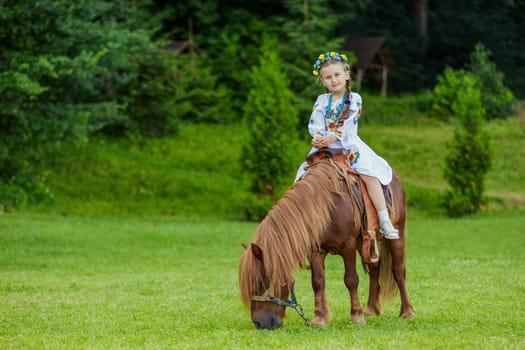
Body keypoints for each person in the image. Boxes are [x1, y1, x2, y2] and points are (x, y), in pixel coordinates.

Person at [295, 52, 399, 239]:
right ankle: (298, 220)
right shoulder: (321, 101)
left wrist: (334, 136)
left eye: (337, 75)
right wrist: (318, 137)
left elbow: (350, 121)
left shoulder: (355, 98)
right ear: (323, 81)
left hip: (348, 147)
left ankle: (384, 220)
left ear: (346, 75)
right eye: (328, 77)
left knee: (369, 174)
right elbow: (315, 122)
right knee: (302, 175)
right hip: (324, 149)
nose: (333, 80)